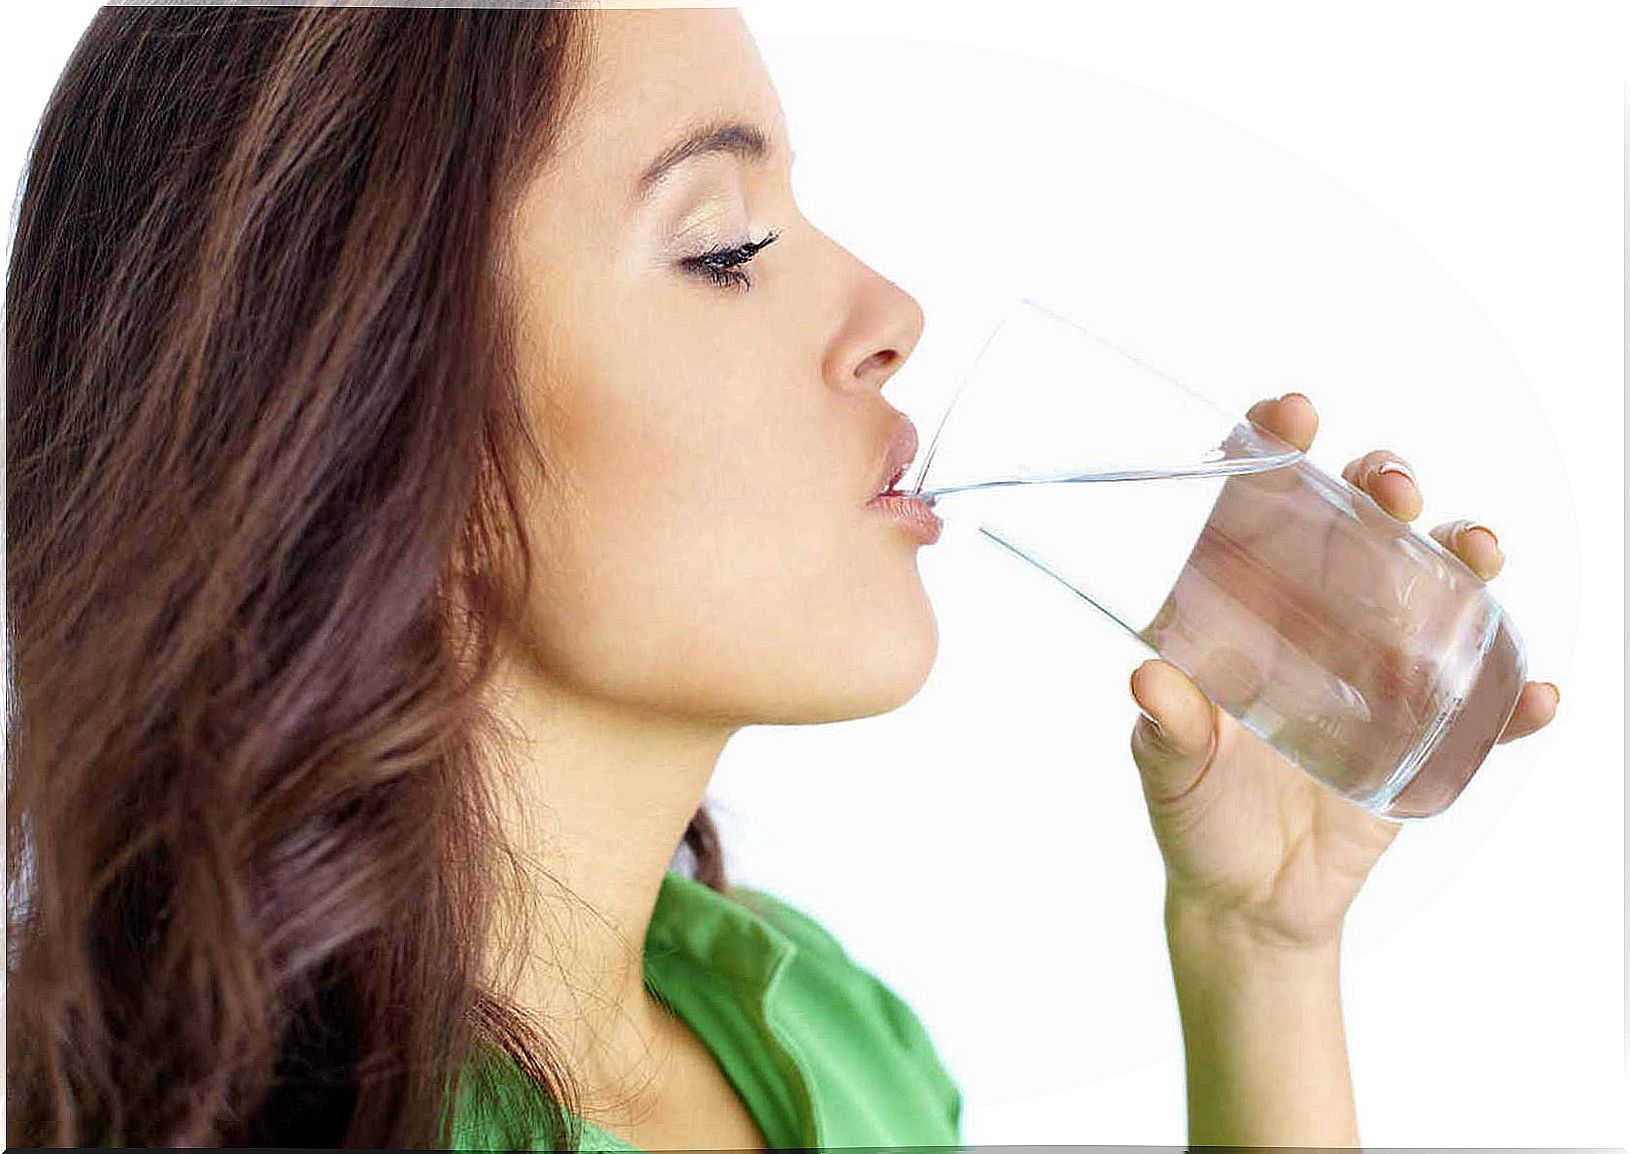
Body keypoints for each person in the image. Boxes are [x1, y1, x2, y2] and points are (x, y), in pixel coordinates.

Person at [4, 6, 1561, 1150]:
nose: (890, 309)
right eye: (726, 245)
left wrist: (1260, 957)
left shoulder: (821, 1024)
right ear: (374, 425)